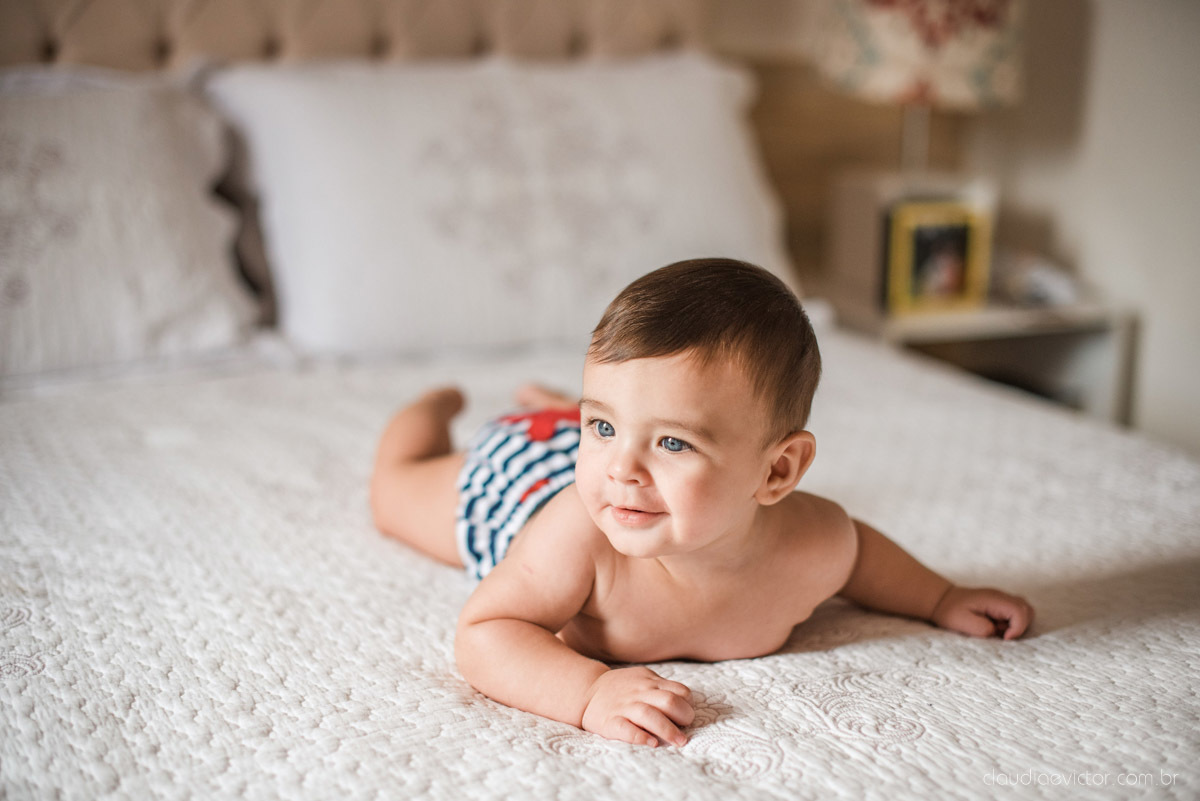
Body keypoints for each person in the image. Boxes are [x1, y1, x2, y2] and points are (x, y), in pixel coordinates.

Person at [370, 257, 1034, 749]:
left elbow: (863, 558)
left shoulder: (814, 541)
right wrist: (588, 691)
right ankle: (439, 406)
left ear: (777, 471)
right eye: (600, 424)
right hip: (519, 486)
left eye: (672, 442)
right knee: (395, 495)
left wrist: (940, 597)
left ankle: (557, 410)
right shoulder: (580, 534)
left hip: (570, 465)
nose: (625, 468)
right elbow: (485, 631)